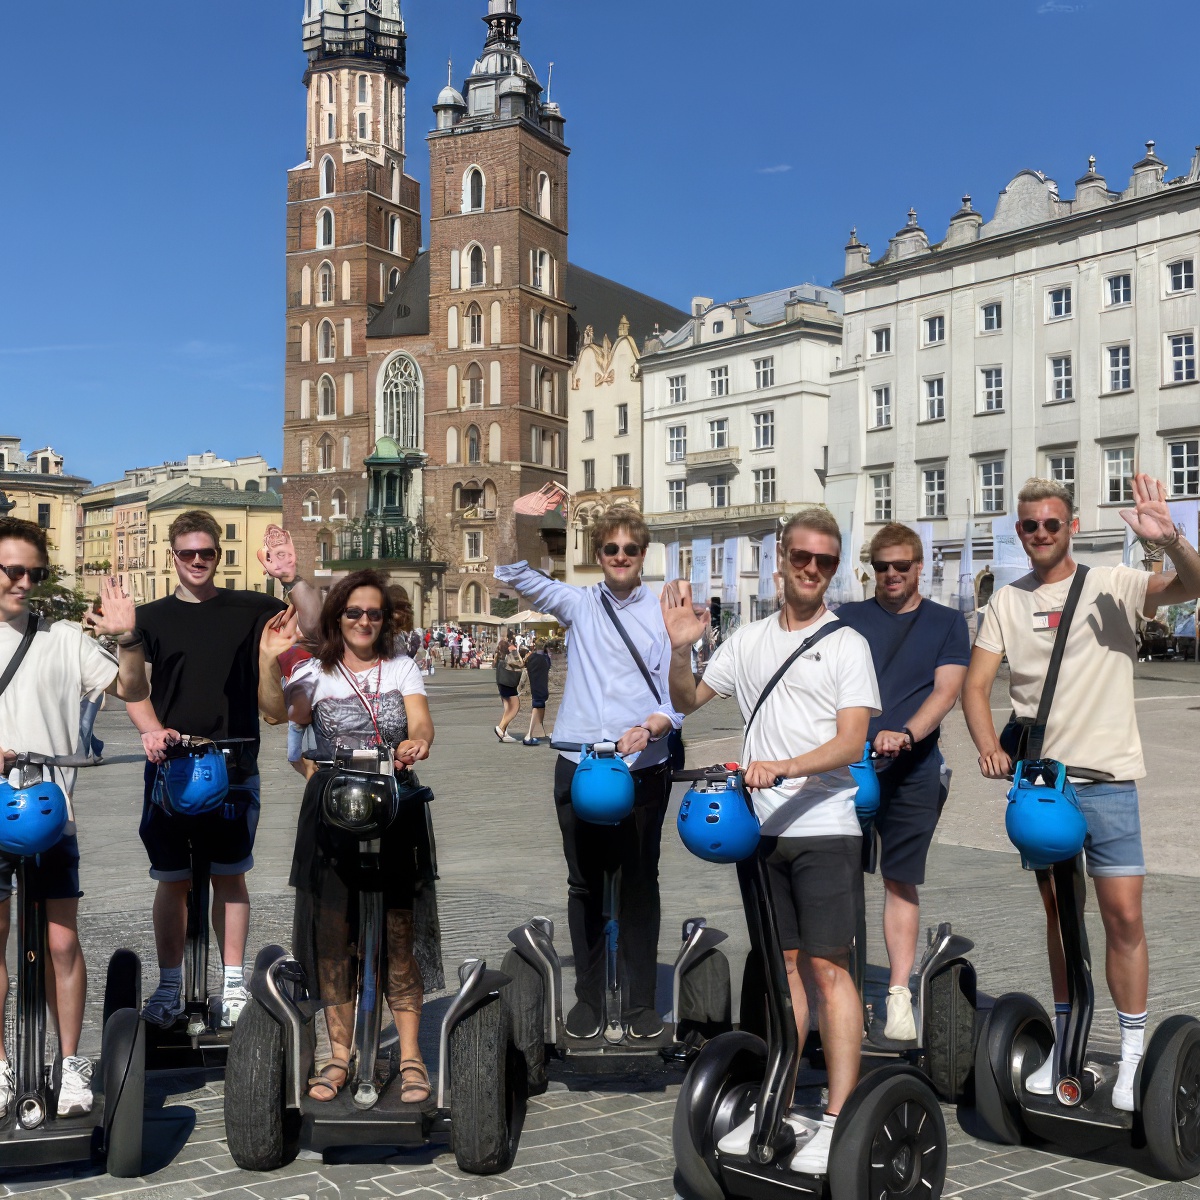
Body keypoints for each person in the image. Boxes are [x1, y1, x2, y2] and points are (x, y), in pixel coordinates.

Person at [962, 475, 1200, 1112]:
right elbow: (974, 684)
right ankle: (1068, 1039)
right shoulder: (1005, 603)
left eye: (1052, 523)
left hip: (1109, 780)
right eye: (1030, 525)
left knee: (1123, 919)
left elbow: (1193, 585)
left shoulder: (1113, 585)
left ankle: (1131, 1055)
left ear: (1071, 526)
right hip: (1044, 788)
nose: (1041, 533)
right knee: (1061, 918)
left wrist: (1172, 538)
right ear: (1020, 531)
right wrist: (989, 745)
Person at [661, 509, 880, 1175]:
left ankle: (841, 1117)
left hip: (825, 827)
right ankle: (780, 1101)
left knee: (830, 971)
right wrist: (678, 648)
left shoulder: (847, 644)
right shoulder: (751, 640)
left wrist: (784, 767)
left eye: (826, 561)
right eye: (803, 557)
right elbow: (687, 699)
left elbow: (852, 741)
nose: (813, 569)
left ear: (832, 569)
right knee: (782, 970)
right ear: (782, 560)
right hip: (764, 831)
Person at [495, 506, 683, 1040]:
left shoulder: (663, 611)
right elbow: (512, 570)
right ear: (598, 555)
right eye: (610, 549)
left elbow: (681, 696)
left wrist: (651, 727)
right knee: (584, 885)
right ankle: (590, 997)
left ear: (642, 555)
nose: (620, 558)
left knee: (640, 884)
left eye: (630, 549)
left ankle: (642, 1001)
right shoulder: (579, 603)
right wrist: (514, 516)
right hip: (580, 762)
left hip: (642, 766)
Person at [126, 514, 321, 1029]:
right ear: (173, 556)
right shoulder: (148, 617)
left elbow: (316, 625)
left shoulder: (251, 607)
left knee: (230, 876)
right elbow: (132, 688)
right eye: (187, 553)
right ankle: (171, 986)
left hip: (233, 757)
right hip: (169, 762)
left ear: (218, 555)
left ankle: (232, 983)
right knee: (173, 882)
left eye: (206, 553)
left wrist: (290, 578)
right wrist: (149, 728)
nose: (197, 561)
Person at [258, 570, 441, 1104]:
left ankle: (409, 1057)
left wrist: (417, 744)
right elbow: (278, 713)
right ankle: (339, 1055)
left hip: (394, 803)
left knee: (399, 936)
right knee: (334, 935)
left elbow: (421, 722)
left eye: (374, 613)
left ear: (387, 620)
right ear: (338, 617)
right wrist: (271, 659)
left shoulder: (403, 666)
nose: (364, 621)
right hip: (332, 809)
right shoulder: (316, 670)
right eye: (354, 613)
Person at [0, 519, 151, 1117]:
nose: (25, 582)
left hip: (51, 815)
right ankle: (3, 1069)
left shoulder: (62, 638)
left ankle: (67, 1066)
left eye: (35, 573)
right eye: (14, 571)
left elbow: (130, 687)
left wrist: (129, 638)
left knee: (63, 944)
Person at [835, 523, 969, 1041]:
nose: (891, 574)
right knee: (837, 874)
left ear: (919, 568)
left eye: (902, 565)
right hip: (848, 763)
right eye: (882, 566)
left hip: (912, 767)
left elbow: (946, 692)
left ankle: (896, 994)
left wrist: (906, 734)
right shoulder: (846, 618)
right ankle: (838, 983)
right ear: (872, 568)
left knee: (899, 877)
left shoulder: (946, 622)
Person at [522, 638, 552, 745]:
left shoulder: (531, 657)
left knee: (540, 706)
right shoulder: (544, 659)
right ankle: (529, 735)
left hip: (534, 683)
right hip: (541, 684)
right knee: (538, 706)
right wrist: (548, 655)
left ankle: (539, 731)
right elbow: (548, 666)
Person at [494, 629, 522, 742]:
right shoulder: (510, 650)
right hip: (509, 682)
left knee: (507, 708)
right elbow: (519, 663)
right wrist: (516, 652)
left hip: (501, 681)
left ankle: (504, 732)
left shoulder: (500, 648)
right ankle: (501, 727)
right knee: (515, 706)